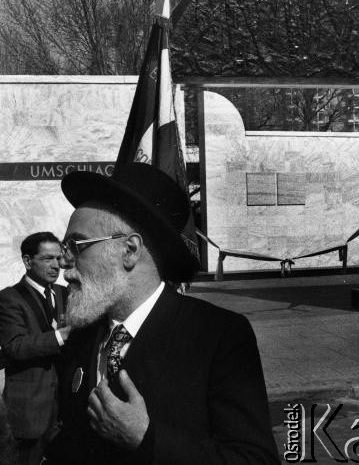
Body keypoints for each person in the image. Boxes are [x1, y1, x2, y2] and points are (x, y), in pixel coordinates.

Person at [47, 163, 279, 464]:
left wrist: (147, 438)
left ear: (129, 251)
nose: (65, 267)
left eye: (76, 246)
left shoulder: (218, 335)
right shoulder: (83, 336)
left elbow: (256, 459)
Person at [0, 232, 71, 464]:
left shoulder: (65, 293)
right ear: (28, 261)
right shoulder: (9, 298)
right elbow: (14, 346)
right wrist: (62, 336)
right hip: (28, 411)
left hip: (62, 411)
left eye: (58, 258)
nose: (56, 265)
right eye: (47, 259)